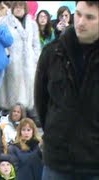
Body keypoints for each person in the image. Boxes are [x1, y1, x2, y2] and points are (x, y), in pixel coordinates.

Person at [35, 1, 99, 179]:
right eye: (78, 14)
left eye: (90, 17)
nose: (80, 22)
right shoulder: (52, 53)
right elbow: (41, 103)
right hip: (57, 163)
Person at [0, 1, 41, 123]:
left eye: (21, 7)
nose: (18, 9)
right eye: (16, 7)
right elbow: (2, 41)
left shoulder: (32, 23)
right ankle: (11, 119)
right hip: (12, 64)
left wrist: (35, 58)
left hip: (30, 65)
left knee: (30, 92)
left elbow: (36, 44)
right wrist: (7, 57)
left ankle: (29, 120)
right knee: (13, 92)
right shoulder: (4, 22)